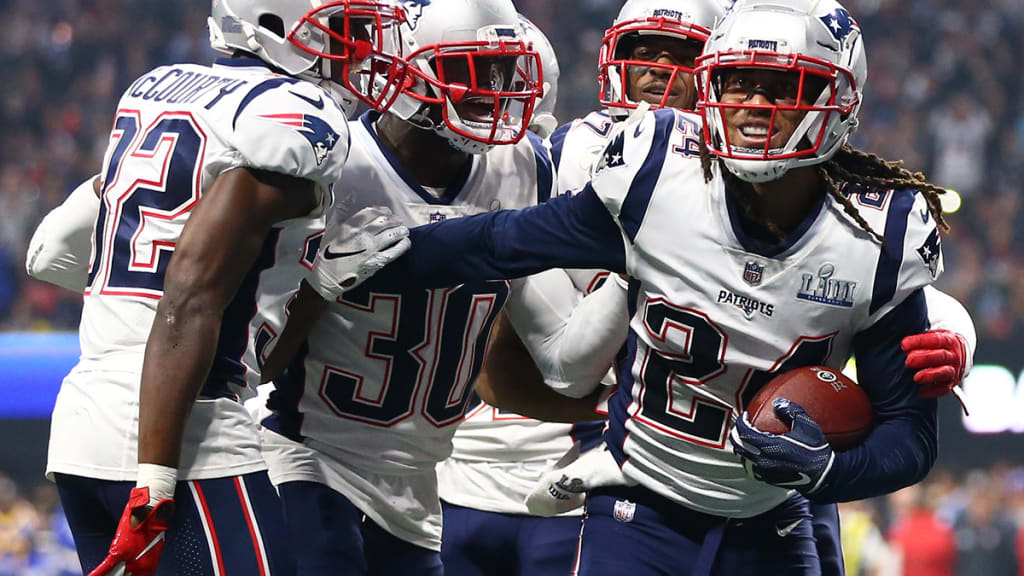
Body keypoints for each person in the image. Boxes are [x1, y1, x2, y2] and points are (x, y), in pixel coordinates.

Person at [350, 0, 955, 573]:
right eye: (740, 82)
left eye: (784, 87)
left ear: (838, 99)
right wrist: (383, 256)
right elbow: (502, 241)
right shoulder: (658, 173)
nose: (754, 106)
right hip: (639, 506)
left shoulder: (880, 233)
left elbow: (910, 435)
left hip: (770, 515)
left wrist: (827, 472)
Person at [25, 1, 409, 574]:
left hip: (83, 421)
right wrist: (156, 476)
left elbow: (50, 251)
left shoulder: (156, 87)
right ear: (275, 25)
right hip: (182, 431)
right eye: (344, 32)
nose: (357, 50)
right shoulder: (293, 114)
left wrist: (315, 289)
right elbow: (189, 292)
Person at [251, 1, 552, 573]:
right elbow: (256, 361)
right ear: (403, 69)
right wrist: (316, 290)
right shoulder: (333, 161)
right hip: (313, 461)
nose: (494, 91)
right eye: (471, 69)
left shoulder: (528, 166)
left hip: (420, 483)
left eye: (504, 71)